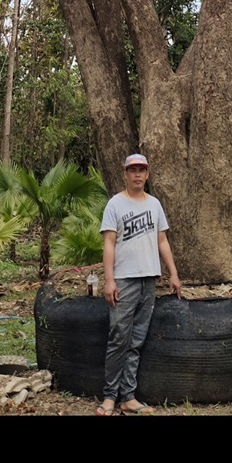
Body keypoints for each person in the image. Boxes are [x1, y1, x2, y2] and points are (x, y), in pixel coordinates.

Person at [95, 152, 181, 416]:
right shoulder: (115, 204)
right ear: (125, 174)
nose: (137, 175)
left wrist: (173, 273)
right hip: (124, 280)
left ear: (147, 174)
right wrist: (109, 280)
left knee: (136, 340)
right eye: (133, 170)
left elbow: (162, 241)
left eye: (142, 170)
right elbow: (109, 242)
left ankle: (128, 398)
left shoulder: (154, 204)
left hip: (149, 279)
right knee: (118, 339)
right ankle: (110, 397)